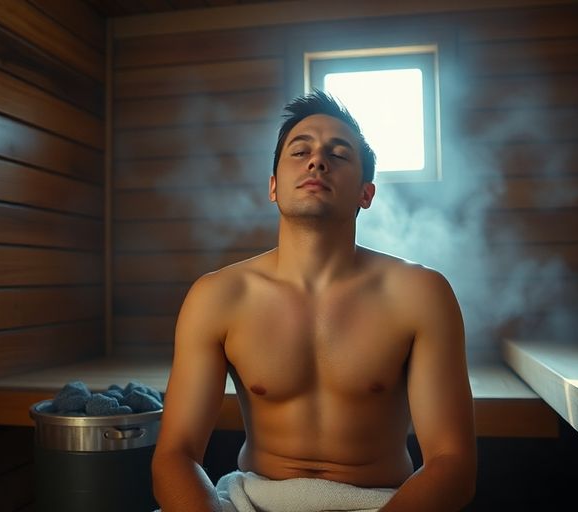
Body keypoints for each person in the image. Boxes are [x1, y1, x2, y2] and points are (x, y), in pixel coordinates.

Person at [152, 91, 476, 512]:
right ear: (273, 186)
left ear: (366, 193)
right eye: (300, 150)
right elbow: (175, 454)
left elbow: (453, 464)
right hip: (253, 502)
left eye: (338, 155)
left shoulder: (420, 294)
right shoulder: (218, 296)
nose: (317, 161)